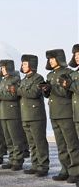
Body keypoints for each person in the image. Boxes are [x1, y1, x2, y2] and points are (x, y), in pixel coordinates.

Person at [40, 49, 79, 183]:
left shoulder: (68, 73)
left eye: (52, 58)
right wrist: (45, 90)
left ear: (59, 58)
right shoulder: (50, 75)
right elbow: (50, 95)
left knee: (71, 144)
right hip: (55, 114)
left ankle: (75, 171)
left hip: (66, 113)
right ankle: (65, 170)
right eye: (49, 59)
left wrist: (53, 88)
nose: (50, 61)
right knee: (61, 145)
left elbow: (67, 93)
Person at [17, 54, 49, 177]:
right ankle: (35, 165)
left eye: (25, 64)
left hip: (36, 116)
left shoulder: (38, 78)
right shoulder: (24, 79)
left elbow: (34, 93)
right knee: (31, 143)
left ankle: (43, 166)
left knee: (39, 142)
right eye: (22, 64)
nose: (23, 66)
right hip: (25, 115)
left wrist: (19, 90)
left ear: (31, 64)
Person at [0, 60, 25, 171]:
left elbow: (13, 96)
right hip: (3, 112)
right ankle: (11, 159)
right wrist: (3, 94)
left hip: (13, 112)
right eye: (1, 68)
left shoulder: (16, 80)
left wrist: (0, 95)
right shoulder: (3, 81)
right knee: (8, 139)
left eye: (4, 67)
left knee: (15, 138)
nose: (2, 70)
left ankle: (18, 160)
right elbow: (5, 95)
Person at [61, 44, 79, 137]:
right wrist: (64, 85)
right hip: (76, 114)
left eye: (78, 54)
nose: (77, 57)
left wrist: (70, 84)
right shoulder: (74, 73)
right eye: (75, 55)